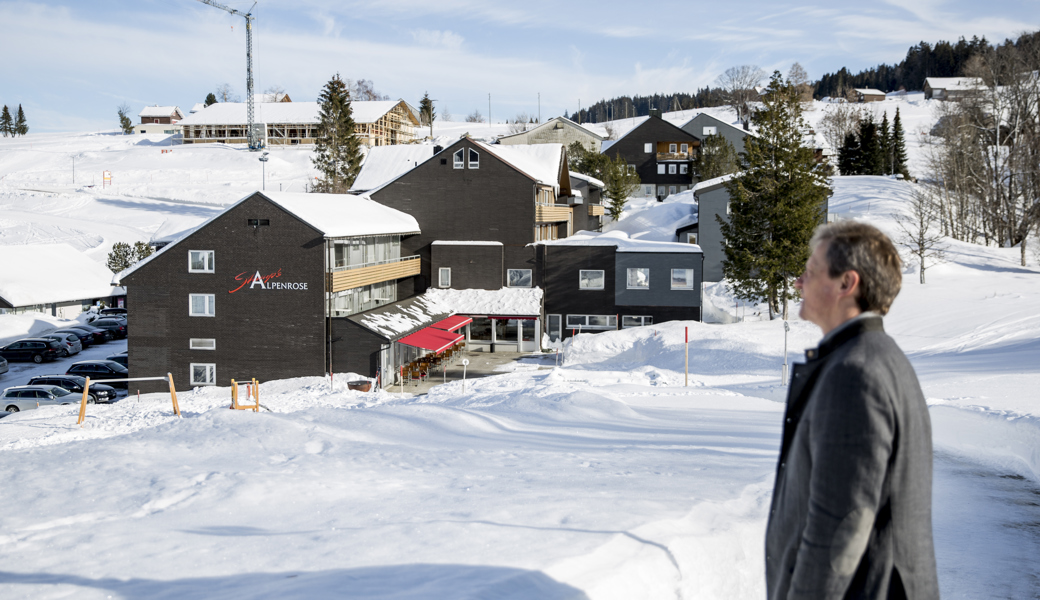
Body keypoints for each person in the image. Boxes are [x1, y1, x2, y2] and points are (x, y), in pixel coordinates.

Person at [765, 221, 939, 600]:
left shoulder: (855, 373)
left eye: (811, 271)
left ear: (847, 283)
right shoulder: (879, 357)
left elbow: (840, 528)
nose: (799, 282)